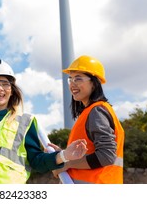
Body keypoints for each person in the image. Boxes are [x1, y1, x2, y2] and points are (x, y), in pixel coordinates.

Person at [0, 59, 88, 184]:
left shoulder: (25, 122)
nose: (0, 88)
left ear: (12, 90)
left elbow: (36, 161)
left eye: (5, 84)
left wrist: (64, 155)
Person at [52, 55, 124, 184]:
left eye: (78, 79)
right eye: (70, 79)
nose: (72, 84)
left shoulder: (97, 111)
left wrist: (67, 163)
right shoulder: (92, 111)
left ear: (94, 83)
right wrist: (64, 154)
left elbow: (106, 156)